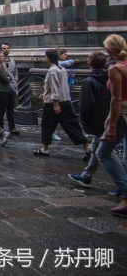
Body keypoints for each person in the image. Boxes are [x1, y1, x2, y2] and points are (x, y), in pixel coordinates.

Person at [34, 49, 91, 157]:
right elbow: (60, 86)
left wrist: (55, 102)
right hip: (65, 101)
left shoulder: (52, 70)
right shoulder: (62, 69)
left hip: (53, 103)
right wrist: (46, 93)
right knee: (72, 125)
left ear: (49, 58)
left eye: (46, 56)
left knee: (47, 125)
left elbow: (55, 87)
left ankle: (45, 148)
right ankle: (87, 146)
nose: (45, 58)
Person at [67, 51, 112, 188]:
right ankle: (86, 176)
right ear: (105, 64)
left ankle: (123, 185)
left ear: (88, 64)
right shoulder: (110, 78)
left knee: (103, 151)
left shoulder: (89, 81)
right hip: (109, 116)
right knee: (97, 147)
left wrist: (84, 120)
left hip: (98, 119)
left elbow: (86, 104)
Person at [97, 34, 127, 216]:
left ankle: (125, 191)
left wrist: (112, 126)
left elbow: (116, 99)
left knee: (103, 152)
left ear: (108, 50)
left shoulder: (115, 69)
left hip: (122, 114)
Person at [0, 51, 16, 137]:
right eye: (1, 56)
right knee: (0, 111)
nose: (3, 58)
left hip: (6, 89)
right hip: (1, 90)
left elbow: (10, 76)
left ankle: (5, 128)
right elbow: (6, 79)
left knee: (6, 110)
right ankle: (0, 129)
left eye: (3, 56)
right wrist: (9, 78)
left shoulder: (2, 65)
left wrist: (9, 78)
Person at [0, 42, 20, 135]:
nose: (6, 50)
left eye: (7, 48)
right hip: (2, 88)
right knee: (1, 109)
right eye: (4, 48)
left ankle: (12, 127)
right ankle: (0, 127)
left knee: (11, 109)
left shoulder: (12, 61)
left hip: (12, 87)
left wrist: (16, 82)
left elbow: (16, 73)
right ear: (0, 50)